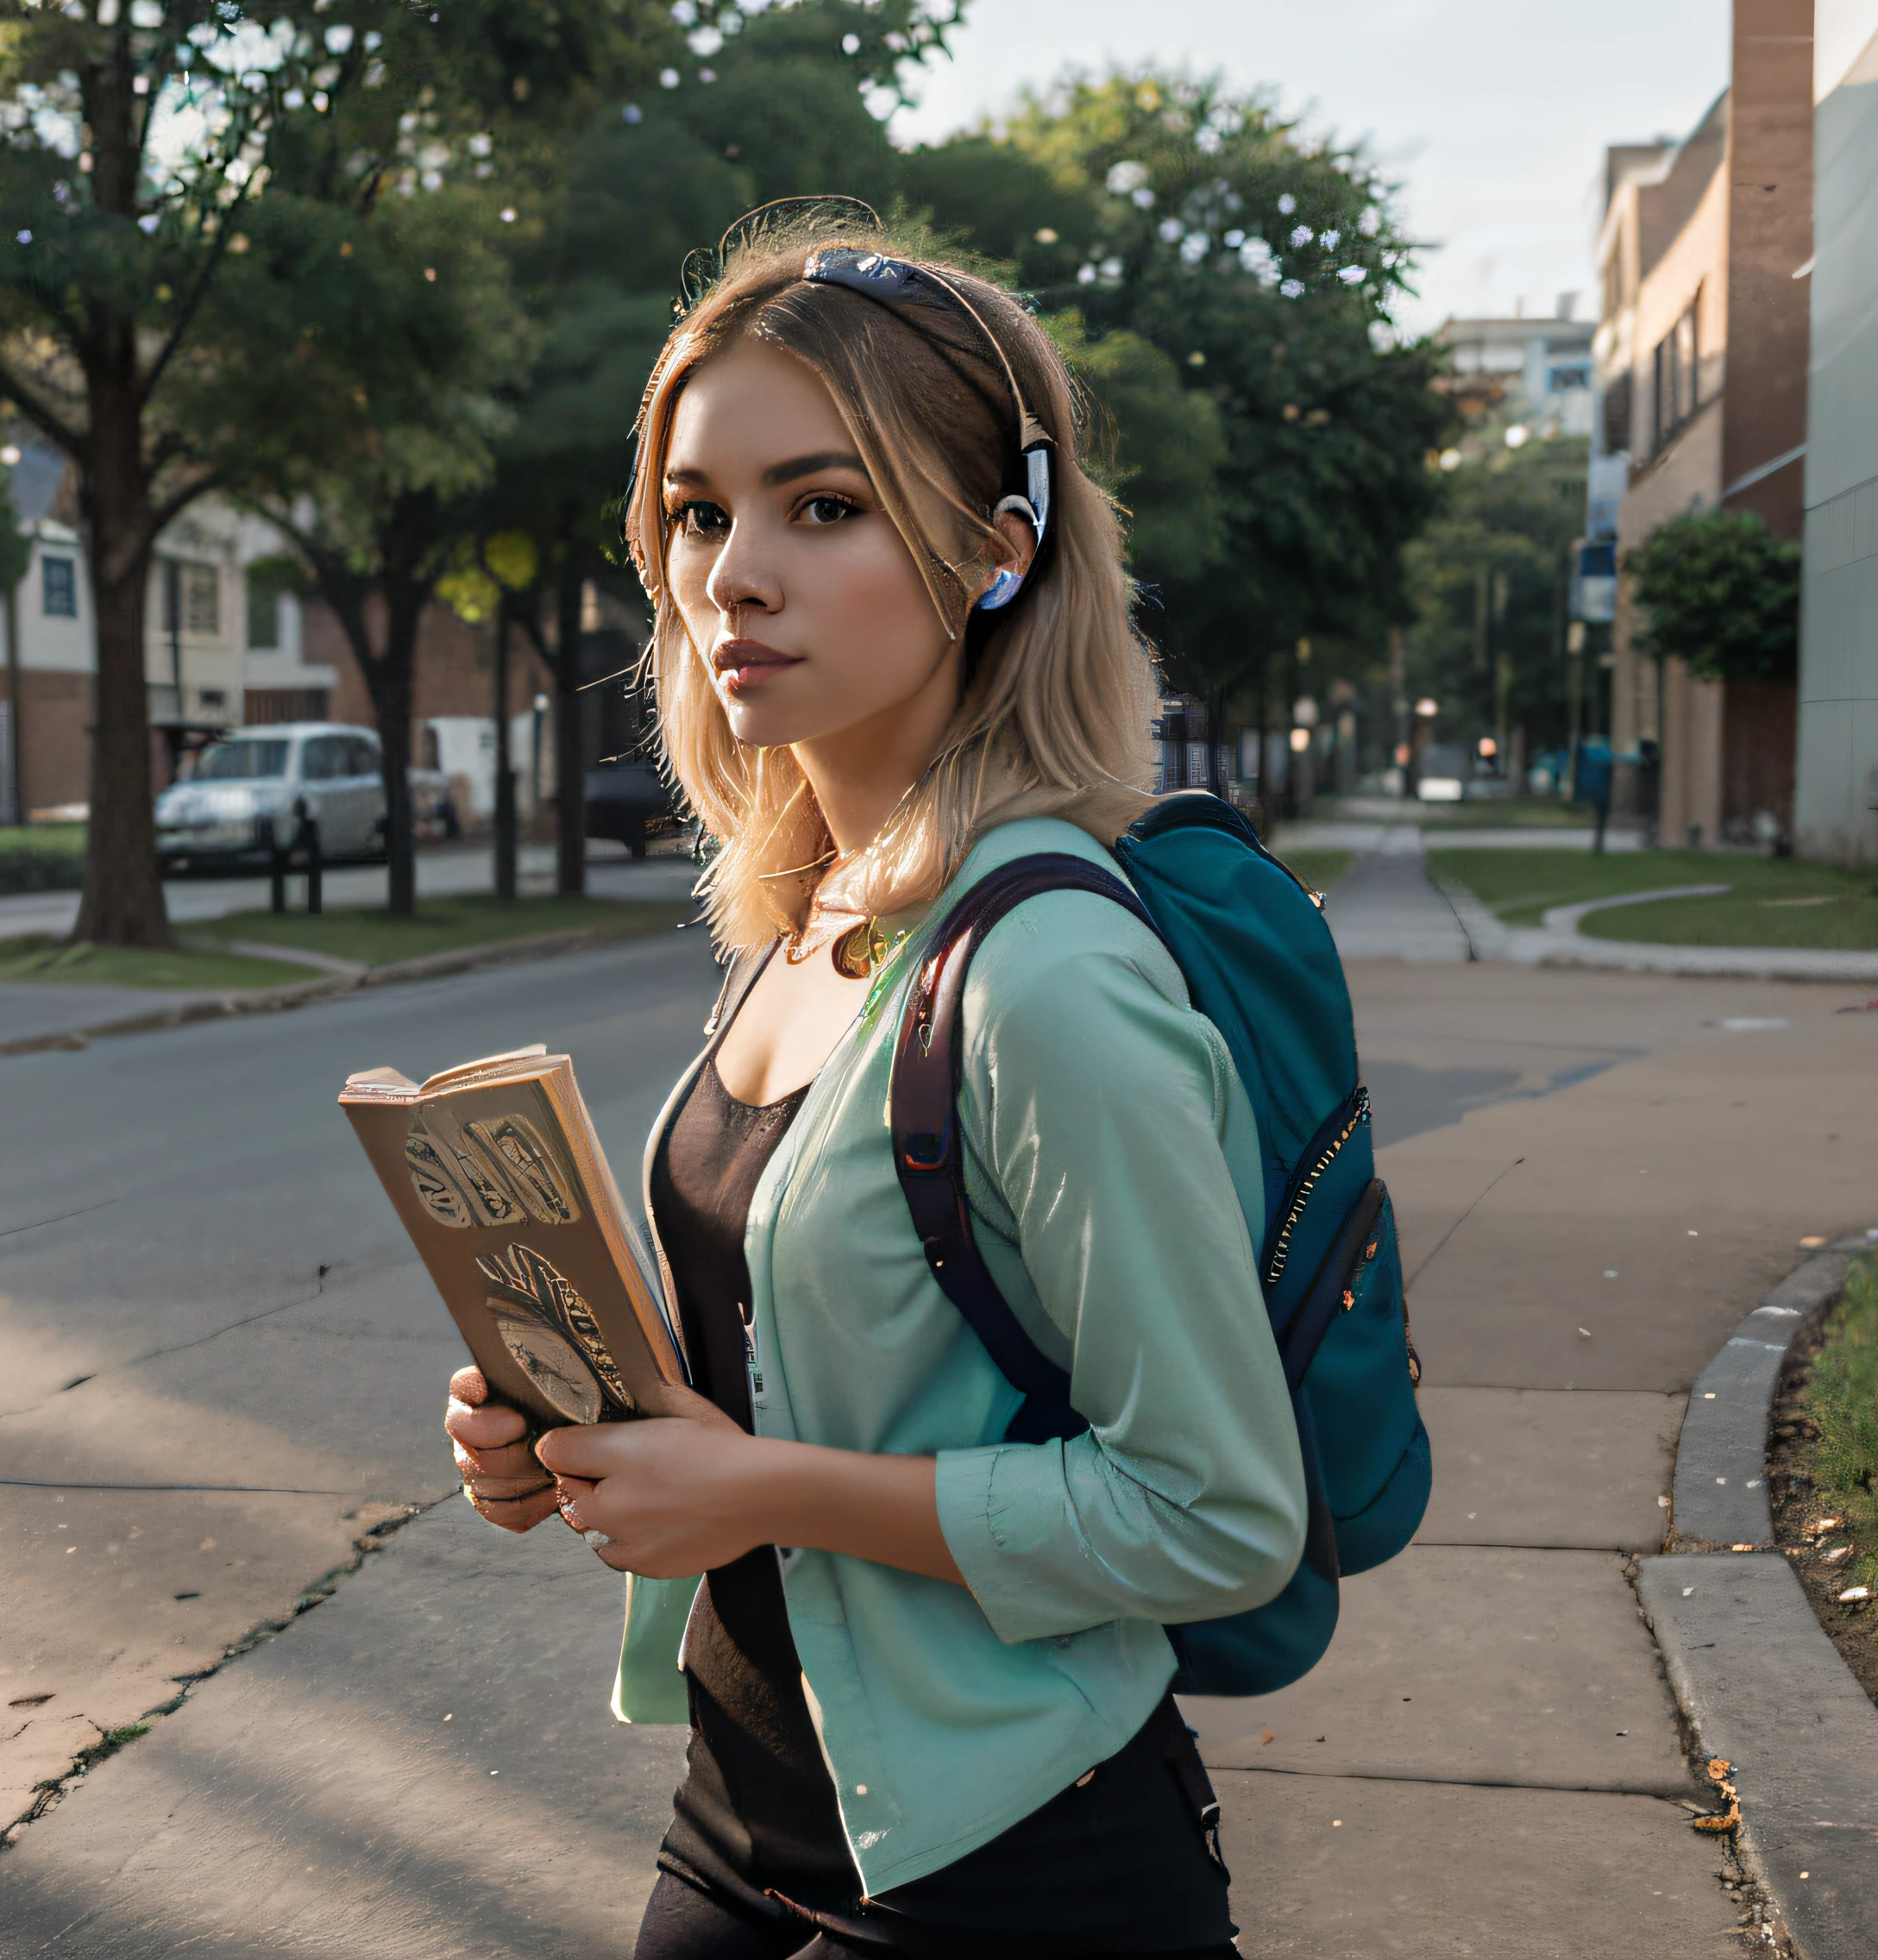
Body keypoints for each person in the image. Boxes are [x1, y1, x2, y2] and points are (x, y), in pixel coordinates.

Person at [442, 211, 1306, 1959]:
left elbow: (1218, 1511)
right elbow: (825, 1346)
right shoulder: (809, 910)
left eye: (818, 506)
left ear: (993, 552)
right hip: (744, 1810)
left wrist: (755, 1484)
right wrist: (569, 1426)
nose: (729, 573)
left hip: (1013, 1871)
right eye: (698, 512)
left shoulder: (1049, 972)